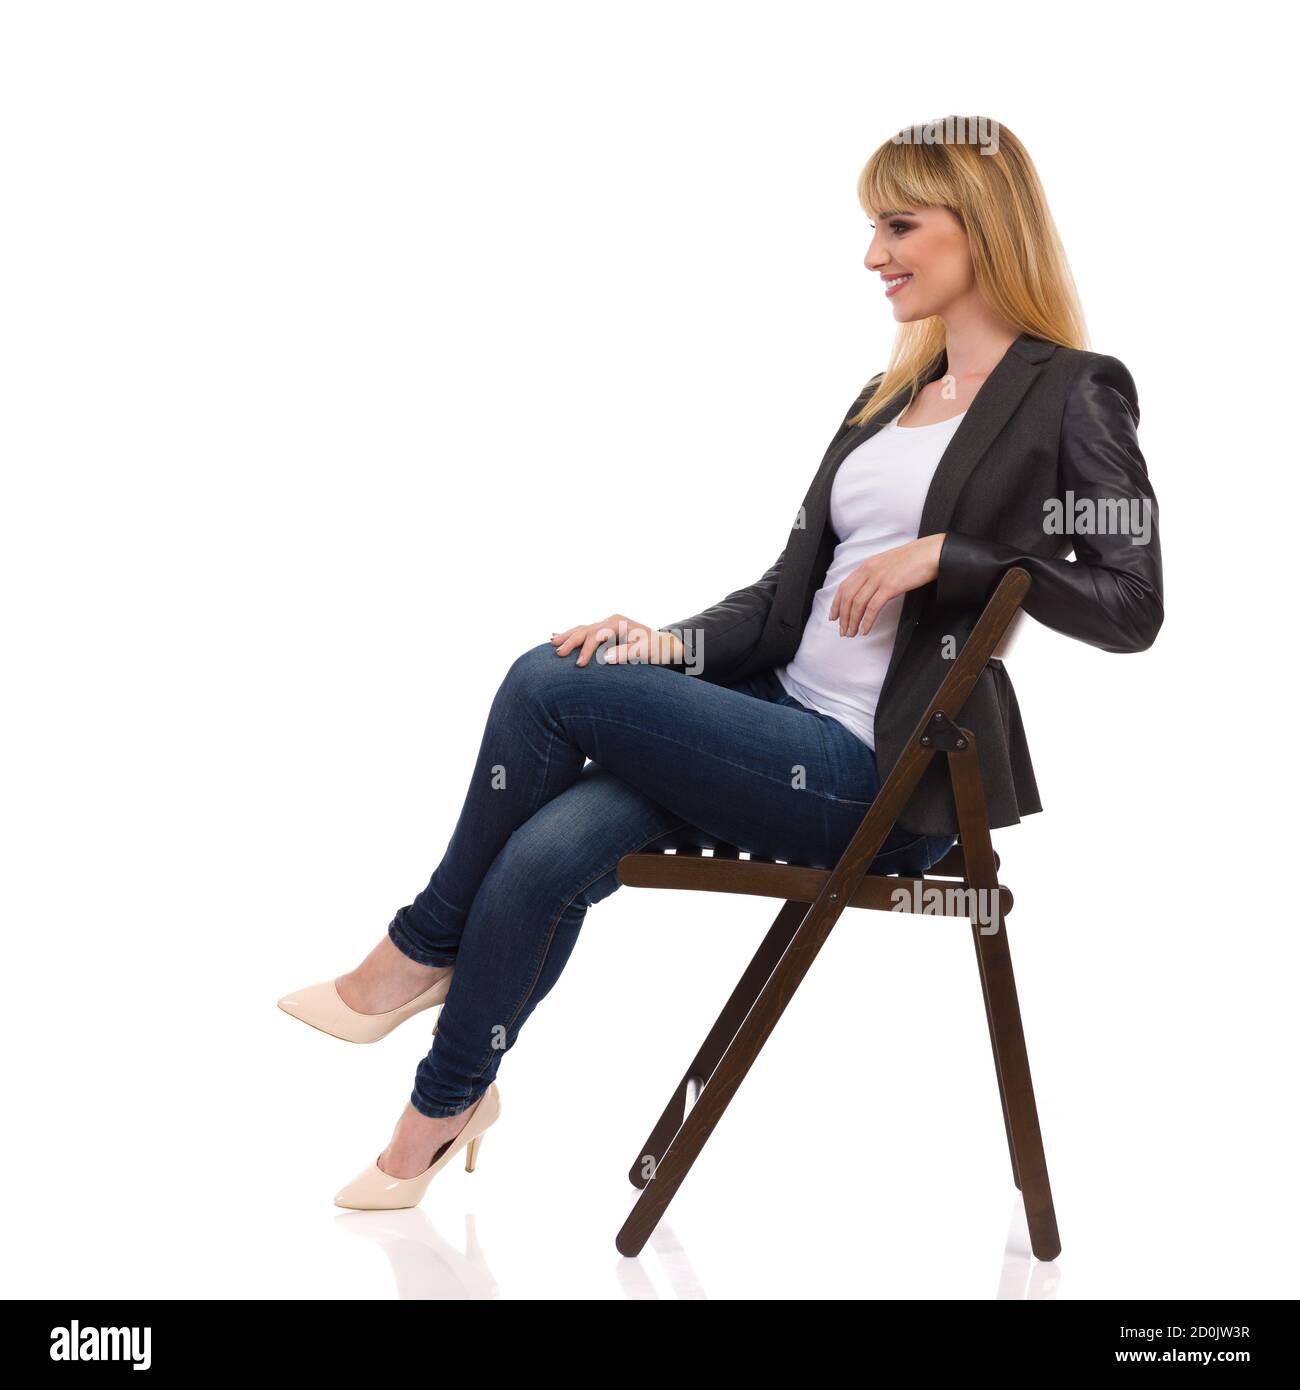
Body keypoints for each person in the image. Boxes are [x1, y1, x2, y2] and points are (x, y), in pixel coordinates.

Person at [278, 115, 1163, 1211]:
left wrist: (955, 555)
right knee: (546, 848)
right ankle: (441, 1109)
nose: (872, 254)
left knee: (544, 683)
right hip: (770, 721)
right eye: (868, 227)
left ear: (979, 228)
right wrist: (666, 646)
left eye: (898, 224)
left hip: (878, 779)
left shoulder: (1075, 391)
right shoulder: (884, 399)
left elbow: (1134, 605)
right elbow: (779, 600)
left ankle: (413, 954)